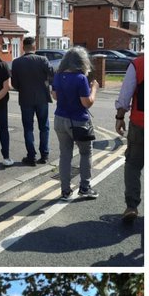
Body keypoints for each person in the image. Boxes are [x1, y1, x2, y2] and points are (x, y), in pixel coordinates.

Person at [53, 46, 98, 200]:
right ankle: (85, 188)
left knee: (65, 155)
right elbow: (86, 103)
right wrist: (94, 89)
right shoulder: (80, 78)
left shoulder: (58, 76)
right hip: (79, 121)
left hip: (59, 119)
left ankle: (65, 191)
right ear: (83, 62)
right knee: (86, 153)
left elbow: (55, 96)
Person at [10, 36, 55, 166]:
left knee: (28, 128)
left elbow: (15, 84)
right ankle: (44, 155)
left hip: (25, 98)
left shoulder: (17, 62)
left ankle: (31, 156)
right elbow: (52, 75)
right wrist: (47, 83)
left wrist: (22, 88)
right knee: (44, 127)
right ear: (35, 47)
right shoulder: (43, 60)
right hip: (42, 98)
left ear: (23, 48)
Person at [114, 53, 144, 224]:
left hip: (140, 124)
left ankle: (131, 206)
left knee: (133, 164)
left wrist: (119, 117)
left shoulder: (139, 64)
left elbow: (126, 94)